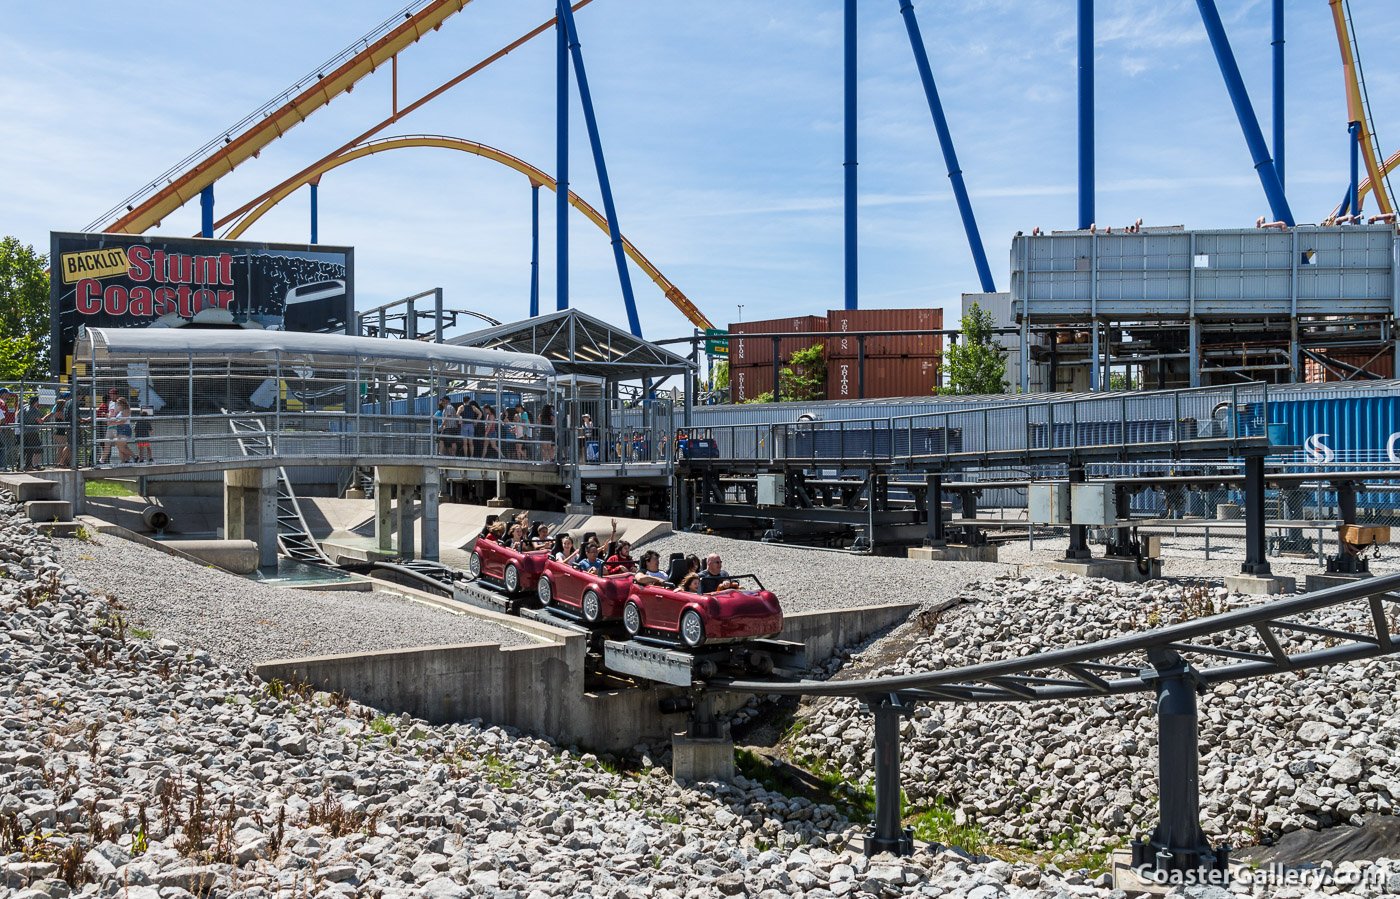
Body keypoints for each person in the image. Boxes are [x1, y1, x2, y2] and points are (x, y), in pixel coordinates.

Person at [46, 390, 72, 469]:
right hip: (60, 432)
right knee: (66, 447)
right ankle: (61, 463)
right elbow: (65, 419)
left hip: (59, 432)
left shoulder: (59, 411)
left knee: (60, 448)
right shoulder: (59, 413)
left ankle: (59, 463)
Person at [19, 395, 45, 471]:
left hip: (24, 431)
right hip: (32, 432)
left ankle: (19, 465)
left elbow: (18, 415)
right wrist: (42, 421)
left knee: (24, 449)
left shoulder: (24, 407)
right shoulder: (34, 410)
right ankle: (28, 465)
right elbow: (39, 421)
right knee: (31, 449)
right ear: (36, 402)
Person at [108, 397, 136, 465]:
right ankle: (123, 461)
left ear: (122, 404)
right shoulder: (120, 412)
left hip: (125, 429)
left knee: (121, 447)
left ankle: (135, 456)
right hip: (119, 429)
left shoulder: (126, 410)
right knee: (120, 447)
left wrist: (114, 423)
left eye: (118, 405)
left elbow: (124, 420)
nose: (117, 406)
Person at [0, 387, 15, 471]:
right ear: (3, 394)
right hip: (3, 429)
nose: (9, 395)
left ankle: (2, 466)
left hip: (3, 428)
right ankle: (2, 466)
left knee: (4, 447)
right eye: (7, 393)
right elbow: (2, 418)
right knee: (6, 447)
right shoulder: (1, 403)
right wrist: (6, 429)